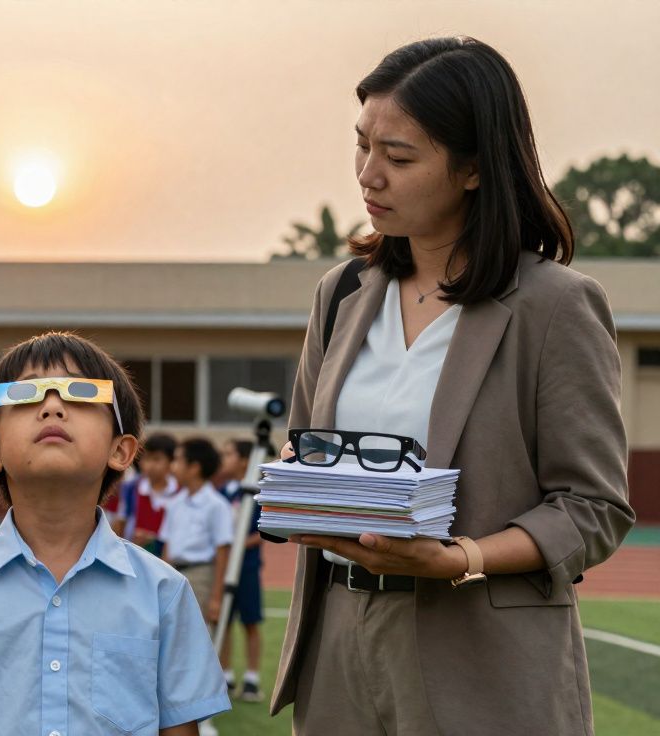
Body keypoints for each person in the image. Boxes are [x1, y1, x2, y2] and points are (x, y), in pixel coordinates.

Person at [270, 38, 635, 735]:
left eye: (399, 157)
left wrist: (459, 559)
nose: (368, 176)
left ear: (472, 169)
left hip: (483, 659)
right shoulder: (342, 293)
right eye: (361, 146)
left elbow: (593, 508)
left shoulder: (554, 305)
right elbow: (304, 449)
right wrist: (302, 486)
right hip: (340, 645)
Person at [0, 332, 230, 735]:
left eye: (80, 394)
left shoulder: (164, 592)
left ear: (122, 450)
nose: (52, 406)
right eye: (24, 395)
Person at [159, 437, 234, 736]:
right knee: (171, 642)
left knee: (200, 644)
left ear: (195, 467)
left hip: (202, 575)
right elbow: (167, 546)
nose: (173, 466)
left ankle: (204, 719)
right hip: (174, 573)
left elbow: (222, 550)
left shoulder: (216, 504)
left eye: (178, 460)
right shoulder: (175, 502)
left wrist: (216, 596)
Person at [215, 438, 264, 703]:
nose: (225, 459)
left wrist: (238, 546)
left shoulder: (257, 491)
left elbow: (263, 530)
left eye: (229, 454)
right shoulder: (223, 492)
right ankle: (226, 674)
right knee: (224, 619)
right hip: (225, 568)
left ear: (245, 460)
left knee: (250, 622)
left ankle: (252, 679)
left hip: (246, 567)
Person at [118, 433, 181, 555]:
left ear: (171, 462)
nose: (150, 465)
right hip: (134, 555)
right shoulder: (131, 489)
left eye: (157, 459)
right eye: (146, 458)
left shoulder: (180, 492)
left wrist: (153, 539)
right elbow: (121, 523)